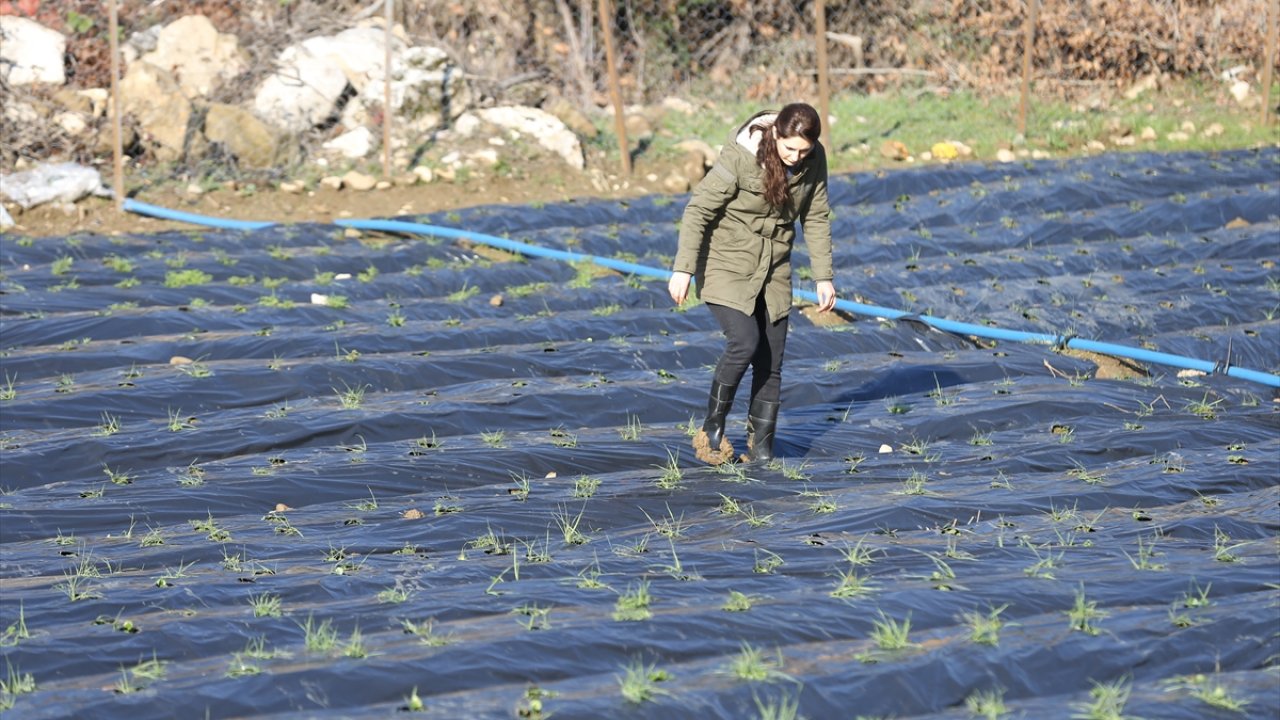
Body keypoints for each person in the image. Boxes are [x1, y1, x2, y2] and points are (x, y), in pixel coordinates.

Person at [668, 102, 837, 465]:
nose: (795, 157)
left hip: (774, 265)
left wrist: (824, 277)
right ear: (775, 133)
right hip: (726, 259)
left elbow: (817, 216)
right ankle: (712, 427)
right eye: (789, 148)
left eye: (803, 151)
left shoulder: (814, 159)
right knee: (745, 341)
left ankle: (761, 450)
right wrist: (682, 268)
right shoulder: (742, 156)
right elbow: (698, 209)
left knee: (771, 360)